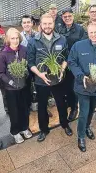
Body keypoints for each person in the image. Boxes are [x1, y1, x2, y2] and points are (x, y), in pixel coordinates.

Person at [68, 23, 96, 152]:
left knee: (91, 110)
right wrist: (80, 76)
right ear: (88, 33)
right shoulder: (78, 46)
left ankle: (87, 127)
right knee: (83, 111)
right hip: (82, 85)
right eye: (91, 32)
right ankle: (81, 136)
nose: (94, 35)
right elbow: (71, 61)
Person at [27, 13, 72, 142]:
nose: (47, 26)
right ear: (40, 25)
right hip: (41, 80)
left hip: (58, 79)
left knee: (61, 103)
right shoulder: (33, 41)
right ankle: (44, 129)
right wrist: (39, 74)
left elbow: (66, 57)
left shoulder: (62, 39)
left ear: (54, 24)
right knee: (42, 106)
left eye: (50, 23)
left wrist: (62, 70)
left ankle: (65, 124)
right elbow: (30, 62)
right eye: (45, 23)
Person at [0, 28, 32, 144]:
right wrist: (11, 82)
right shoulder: (3, 54)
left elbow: (28, 65)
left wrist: (26, 73)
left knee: (25, 108)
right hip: (11, 89)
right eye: (13, 38)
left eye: (17, 38)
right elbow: (1, 73)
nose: (15, 40)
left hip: (23, 86)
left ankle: (24, 127)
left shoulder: (24, 50)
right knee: (14, 111)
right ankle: (15, 131)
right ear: (8, 39)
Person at [56, 8, 87, 121]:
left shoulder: (80, 29)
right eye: (65, 17)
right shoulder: (60, 28)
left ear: (73, 16)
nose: (67, 18)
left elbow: (83, 46)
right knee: (64, 85)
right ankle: (69, 104)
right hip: (62, 63)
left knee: (73, 87)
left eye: (69, 16)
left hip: (74, 63)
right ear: (62, 18)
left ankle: (74, 108)